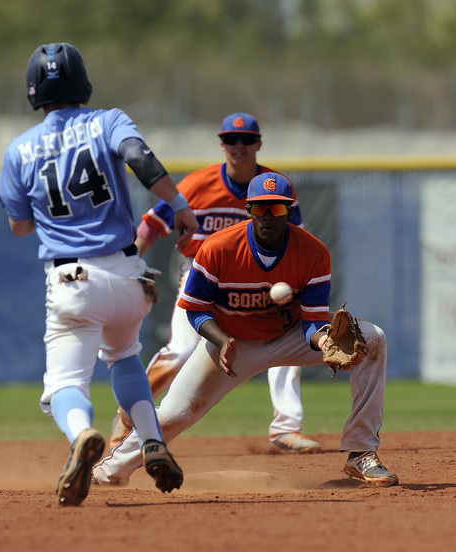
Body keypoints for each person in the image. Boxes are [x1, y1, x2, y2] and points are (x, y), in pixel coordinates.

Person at [93, 172, 399, 488]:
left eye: (277, 209)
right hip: (232, 341)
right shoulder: (218, 248)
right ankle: (110, 471)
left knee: (373, 337)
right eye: (260, 208)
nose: (268, 216)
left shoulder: (314, 252)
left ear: (290, 212)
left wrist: (323, 340)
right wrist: (222, 340)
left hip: (288, 335)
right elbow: (195, 309)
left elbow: (313, 321)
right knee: (176, 413)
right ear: (248, 209)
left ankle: (362, 452)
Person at [0, 43, 198, 506]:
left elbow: (20, 226)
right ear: (82, 82)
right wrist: (180, 205)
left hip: (72, 282)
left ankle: (83, 434)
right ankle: (151, 440)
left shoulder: (19, 149)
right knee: (125, 357)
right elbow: (139, 158)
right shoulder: (106, 121)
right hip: (128, 275)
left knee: (65, 385)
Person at [109, 113, 321, 454]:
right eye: (231, 140)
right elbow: (151, 225)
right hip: (203, 278)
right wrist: (131, 263)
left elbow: (298, 236)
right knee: (179, 351)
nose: (239, 146)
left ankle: (286, 428)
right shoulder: (197, 185)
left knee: (288, 344)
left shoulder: (276, 186)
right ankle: (129, 413)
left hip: (261, 283)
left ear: (258, 144)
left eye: (246, 140)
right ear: (222, 144)